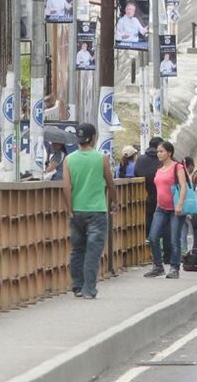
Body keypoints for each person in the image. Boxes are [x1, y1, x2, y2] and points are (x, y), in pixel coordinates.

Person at [62, 122, 114, 299]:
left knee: (78, 250)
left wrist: (69, 209)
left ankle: (77, 286)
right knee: (93, 251)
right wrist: (114, 202)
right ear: (93, 138)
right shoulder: (101, 158)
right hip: (97, 211)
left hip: (76, 211)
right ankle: (89, 290)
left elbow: (66, 187)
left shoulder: (69, 160)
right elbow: (110, 183)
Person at [145, 140, 188, 279]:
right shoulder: (159, 169)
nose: (158, 154)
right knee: (153, 237)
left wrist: (180, 204)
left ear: (169, 153)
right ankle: (158, 266)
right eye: (158, 151)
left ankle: (175, 267)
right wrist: (158, 204)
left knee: (174, 240)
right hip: (161, 208)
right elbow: (159, 189)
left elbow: (183, 186)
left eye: (161, 151)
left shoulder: (177, 167)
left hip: (175, 208)